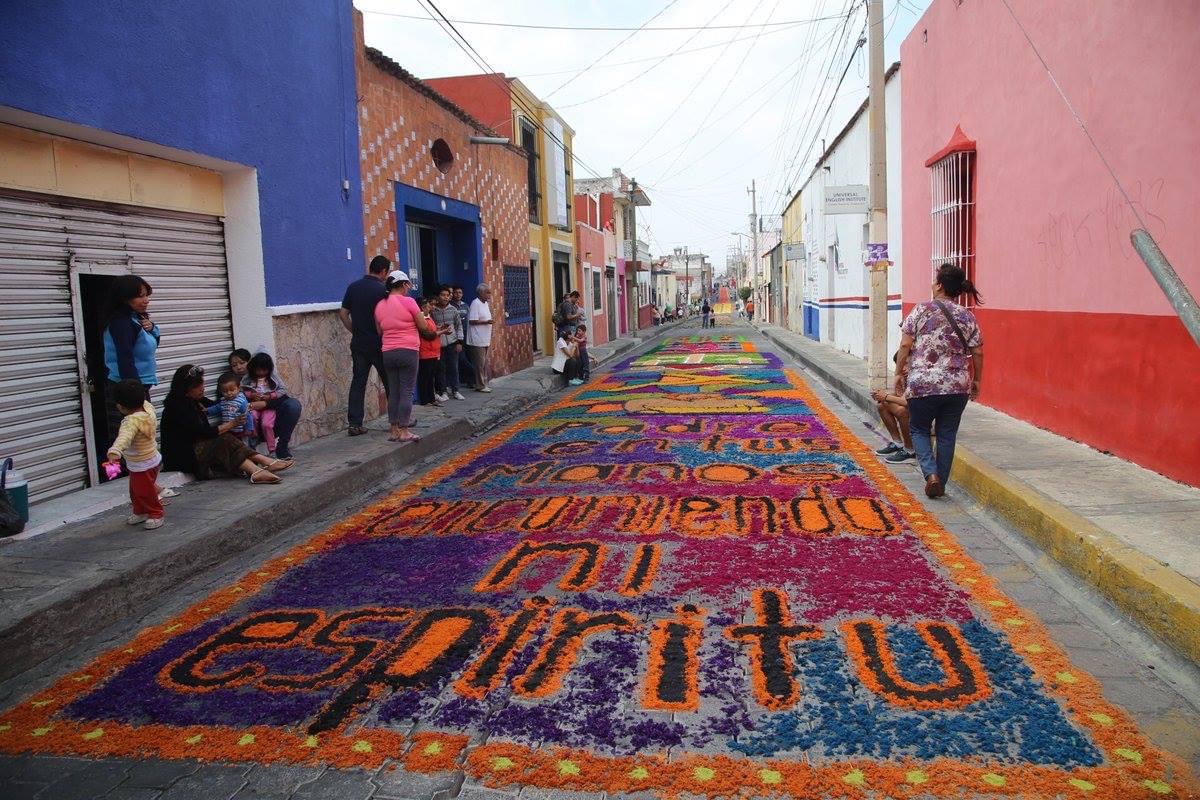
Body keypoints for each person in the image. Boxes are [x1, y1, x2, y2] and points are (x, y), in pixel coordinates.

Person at [896, 263, 984, 499]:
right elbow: (977, 352)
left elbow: (905, 345)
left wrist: (897, 372)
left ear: (940, 285)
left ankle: (930, 475)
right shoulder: (967, 316)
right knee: (947, 434)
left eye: (935, 281)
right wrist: (977, 380)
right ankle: (940, 483)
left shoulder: (921, 310)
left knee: (918, 428)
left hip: (923, 384)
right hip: (957, 385)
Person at [160, 365, 291, 484]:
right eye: (197, 386)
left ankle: (258, 470)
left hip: (197, 450)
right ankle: (265, 463)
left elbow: (221, 405)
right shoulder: (177, 407)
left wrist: (242, 401)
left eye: (202, 383)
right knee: (224, 438)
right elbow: (203, 432)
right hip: (182, 458)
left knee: (226, 440)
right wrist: (232, 424)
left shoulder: (195, 400)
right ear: (185, 389)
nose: (202, 388)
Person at [101, 275, 159, 471]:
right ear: (124, 298)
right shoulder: (121, 323)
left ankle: (148, 485)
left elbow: (150, 345)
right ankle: (127, 481)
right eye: (139, 296)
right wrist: (134, 394)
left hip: (137, 386)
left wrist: (153, 330)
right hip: (127, 388)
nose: (146, 300)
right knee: (128, 438)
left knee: (142, 436)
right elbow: (125, 358)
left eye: (146, 295)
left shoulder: (137, 319)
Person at [375, 270, 439, 443]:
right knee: (406, 391)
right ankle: (404, 430)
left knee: (393, 392)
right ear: (403, 284)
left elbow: (379, 330)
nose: (409, 288)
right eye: (408, 285)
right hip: (408, 351)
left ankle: (394, 430)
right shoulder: (409, 302)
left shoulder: (380, 305)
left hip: (388, 352)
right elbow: (423, 326)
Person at [339, 255, 391, 436]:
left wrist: (354, 330)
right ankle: (398, 420)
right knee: (390, 381)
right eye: (387, 272)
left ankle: (354, 424)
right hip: (379, 344)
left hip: (359, 343)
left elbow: (343, 313)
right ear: (383, 271)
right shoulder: (383, 290)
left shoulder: (353, 287)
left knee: (358, 382)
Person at [106, 379, 164, 529]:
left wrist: (114, 452)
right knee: (136, 489)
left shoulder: (130, 422)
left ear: (120, 406)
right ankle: (140, 511)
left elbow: (123, 439)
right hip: (150, 458)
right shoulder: (147, 409)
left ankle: (156, 513)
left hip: (142, 463)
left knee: (144, 491)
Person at [240, 352, 301, 460]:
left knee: (292, 406)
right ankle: (252, 445)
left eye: (242, 363)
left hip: (270, 413)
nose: (239, 367)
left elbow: (282, 394)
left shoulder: (272, 378)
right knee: (252, 416)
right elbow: (239, 395)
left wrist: (268, 399)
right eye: (235, 365)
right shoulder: (242, 380)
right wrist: (251, 395)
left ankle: (279, 448)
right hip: (252, 415)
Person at [871, 353, 914, 463]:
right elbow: (899, 395)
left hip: (925, 413)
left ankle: (910, 451)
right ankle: (897, 443)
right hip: (913, 408)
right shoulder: (904, 377)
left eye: (906, 364)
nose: (903, 369)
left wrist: (886, 396)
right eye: (900, 365)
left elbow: (906, 402)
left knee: (902, 411)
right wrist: (882, 396)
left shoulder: (917, 377)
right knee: (882, 405)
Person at [430, 286, 465, 401]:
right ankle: (443, 391)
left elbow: (459, 326)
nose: (445, 297)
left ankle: (456, 390)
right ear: (438, 296)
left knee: (453, 368)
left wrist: (459, 341)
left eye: (447, 295)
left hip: (452, 343)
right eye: (442, 295)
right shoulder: (433, 311)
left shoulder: (453, 310)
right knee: (441, 368)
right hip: (438, 345)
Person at [208, 372, 253, 447]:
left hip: (240, 432)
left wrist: (249, 429)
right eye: (225, 391)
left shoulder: (241, 402)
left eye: (232, 390)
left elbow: (248, 415)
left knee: (243, 447)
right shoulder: (223, 400)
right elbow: (217, 408)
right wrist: (207, 410)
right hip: (228, 430)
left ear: (238, 388)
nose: (229, 393)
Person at [415, 296, 444, 407]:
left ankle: (431, 399)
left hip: (433, 350)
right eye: (428, 307)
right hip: (426, 351)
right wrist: (441, 332)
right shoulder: (421, 319)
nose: (430, 308)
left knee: (431, 376)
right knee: (425, 377)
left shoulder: (428, 317)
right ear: (422, 308)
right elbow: (428, 335)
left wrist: (439, 328)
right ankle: (425, 400)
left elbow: (432, 330)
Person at [466, 283, 494, 393]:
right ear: (481, 293)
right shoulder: (475, 303)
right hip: (477, 339)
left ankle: (482, 383)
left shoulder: (485, 304)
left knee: (483, 363)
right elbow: (472, 321)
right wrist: (486, 322)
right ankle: (480, 385)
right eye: (487, 292)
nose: (489, 294)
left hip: (485, 338)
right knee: (479, 364)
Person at [451, 285, 474, 387]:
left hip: (467, 335)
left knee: (469, 357)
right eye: (456, 293)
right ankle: (475, 372)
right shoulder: (451, 306)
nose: (458, 295)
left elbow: (470, 320)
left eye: (460, 293)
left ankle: (470, 381)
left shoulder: (466, 306)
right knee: (462, 359)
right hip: (456, 337)